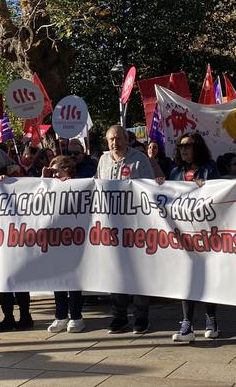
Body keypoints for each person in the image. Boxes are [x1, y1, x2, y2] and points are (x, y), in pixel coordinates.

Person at [96, 125, 155, 334]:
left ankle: (141, 318)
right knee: (116, 273)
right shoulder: (103, 160)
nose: (115, 143)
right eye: (111, 139)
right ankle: (119, 317)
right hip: (112, 228)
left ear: (126, 139)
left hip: (136, 226)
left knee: (138, 273)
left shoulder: (139, 159)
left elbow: (151, 188)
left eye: (118, 139)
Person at [166, 133, 221, 342]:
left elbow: (218, 195)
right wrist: (162, 184)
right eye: (181, 146)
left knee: (206, 277)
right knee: (185, 277)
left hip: (204, 232)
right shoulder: (175, 172)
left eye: (188, 146)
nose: (184, 150)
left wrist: (206, 187)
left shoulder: (210, 168)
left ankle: (211, 318)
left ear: (197, 147)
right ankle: (187, 324)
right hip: (182, 234)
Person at [0, 148, 30, 331]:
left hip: (15, 235)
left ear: (2, 159)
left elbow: (26, 191)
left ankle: (25, 316)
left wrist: (9, 182)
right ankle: (8, 317)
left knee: (19, 278)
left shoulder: (15, 172)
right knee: (0, 278)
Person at [44, 156, 86, 333]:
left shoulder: (78, 185)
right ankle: (60, 315)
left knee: (73, 280)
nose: (54, 176)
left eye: (57, 172)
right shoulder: (49, 186)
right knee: (57, 278)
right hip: (55, 239)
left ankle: (76, 316)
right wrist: (44, 178)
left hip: (74, 239)